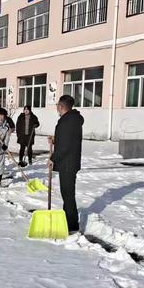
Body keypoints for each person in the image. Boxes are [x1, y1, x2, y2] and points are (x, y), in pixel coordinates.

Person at [49, 95, 84, 234]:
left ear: (61, 106)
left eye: (58, 105)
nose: (57, 108)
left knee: (68, 194)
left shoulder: (66, 122)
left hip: (67, 163)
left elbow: (65, 146)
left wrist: (53, 158)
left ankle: (71, 225)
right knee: (68, 194)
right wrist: (55, 140)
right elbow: (68, 140)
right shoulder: (74, 120)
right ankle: (70, 221)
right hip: (71, 161)